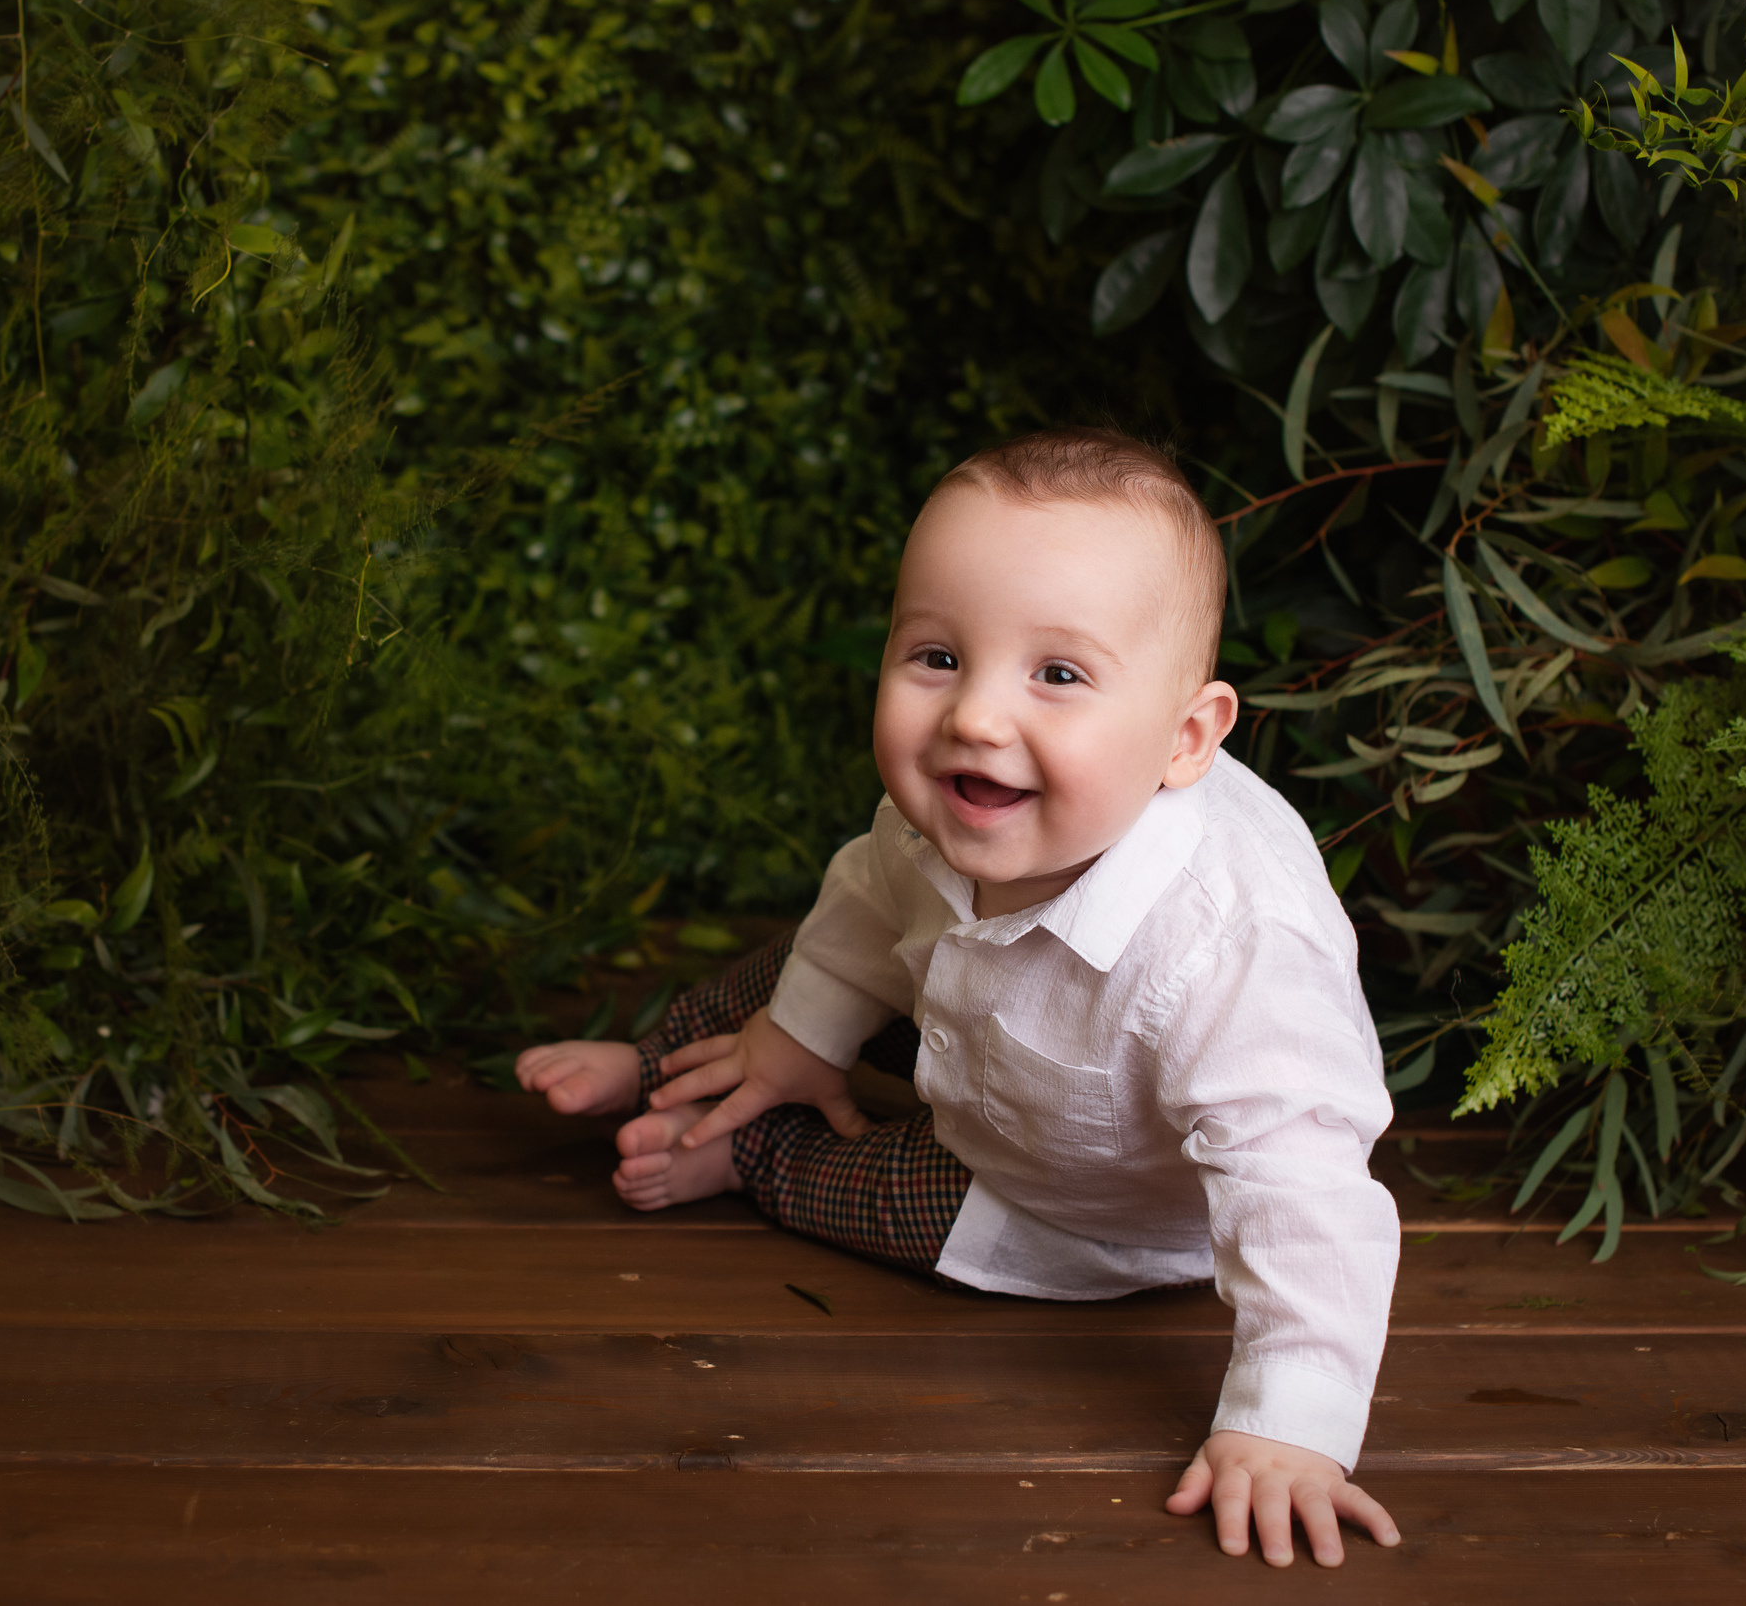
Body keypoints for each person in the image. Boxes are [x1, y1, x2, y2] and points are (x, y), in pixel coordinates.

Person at [515, 426, 1402, 1568]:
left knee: (885, 1197)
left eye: (1059, 674)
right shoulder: (956, 804)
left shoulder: (1231, 949)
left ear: (1185, 738)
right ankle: (678, 1056)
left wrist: (1289, 1426)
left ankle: (753, 1157)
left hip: (1070, 1196)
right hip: (962, 1011)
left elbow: (1305, 1192)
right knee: (809, 958)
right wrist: (797, 1036)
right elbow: (861, 908)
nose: (973, 717)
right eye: (936, 656)